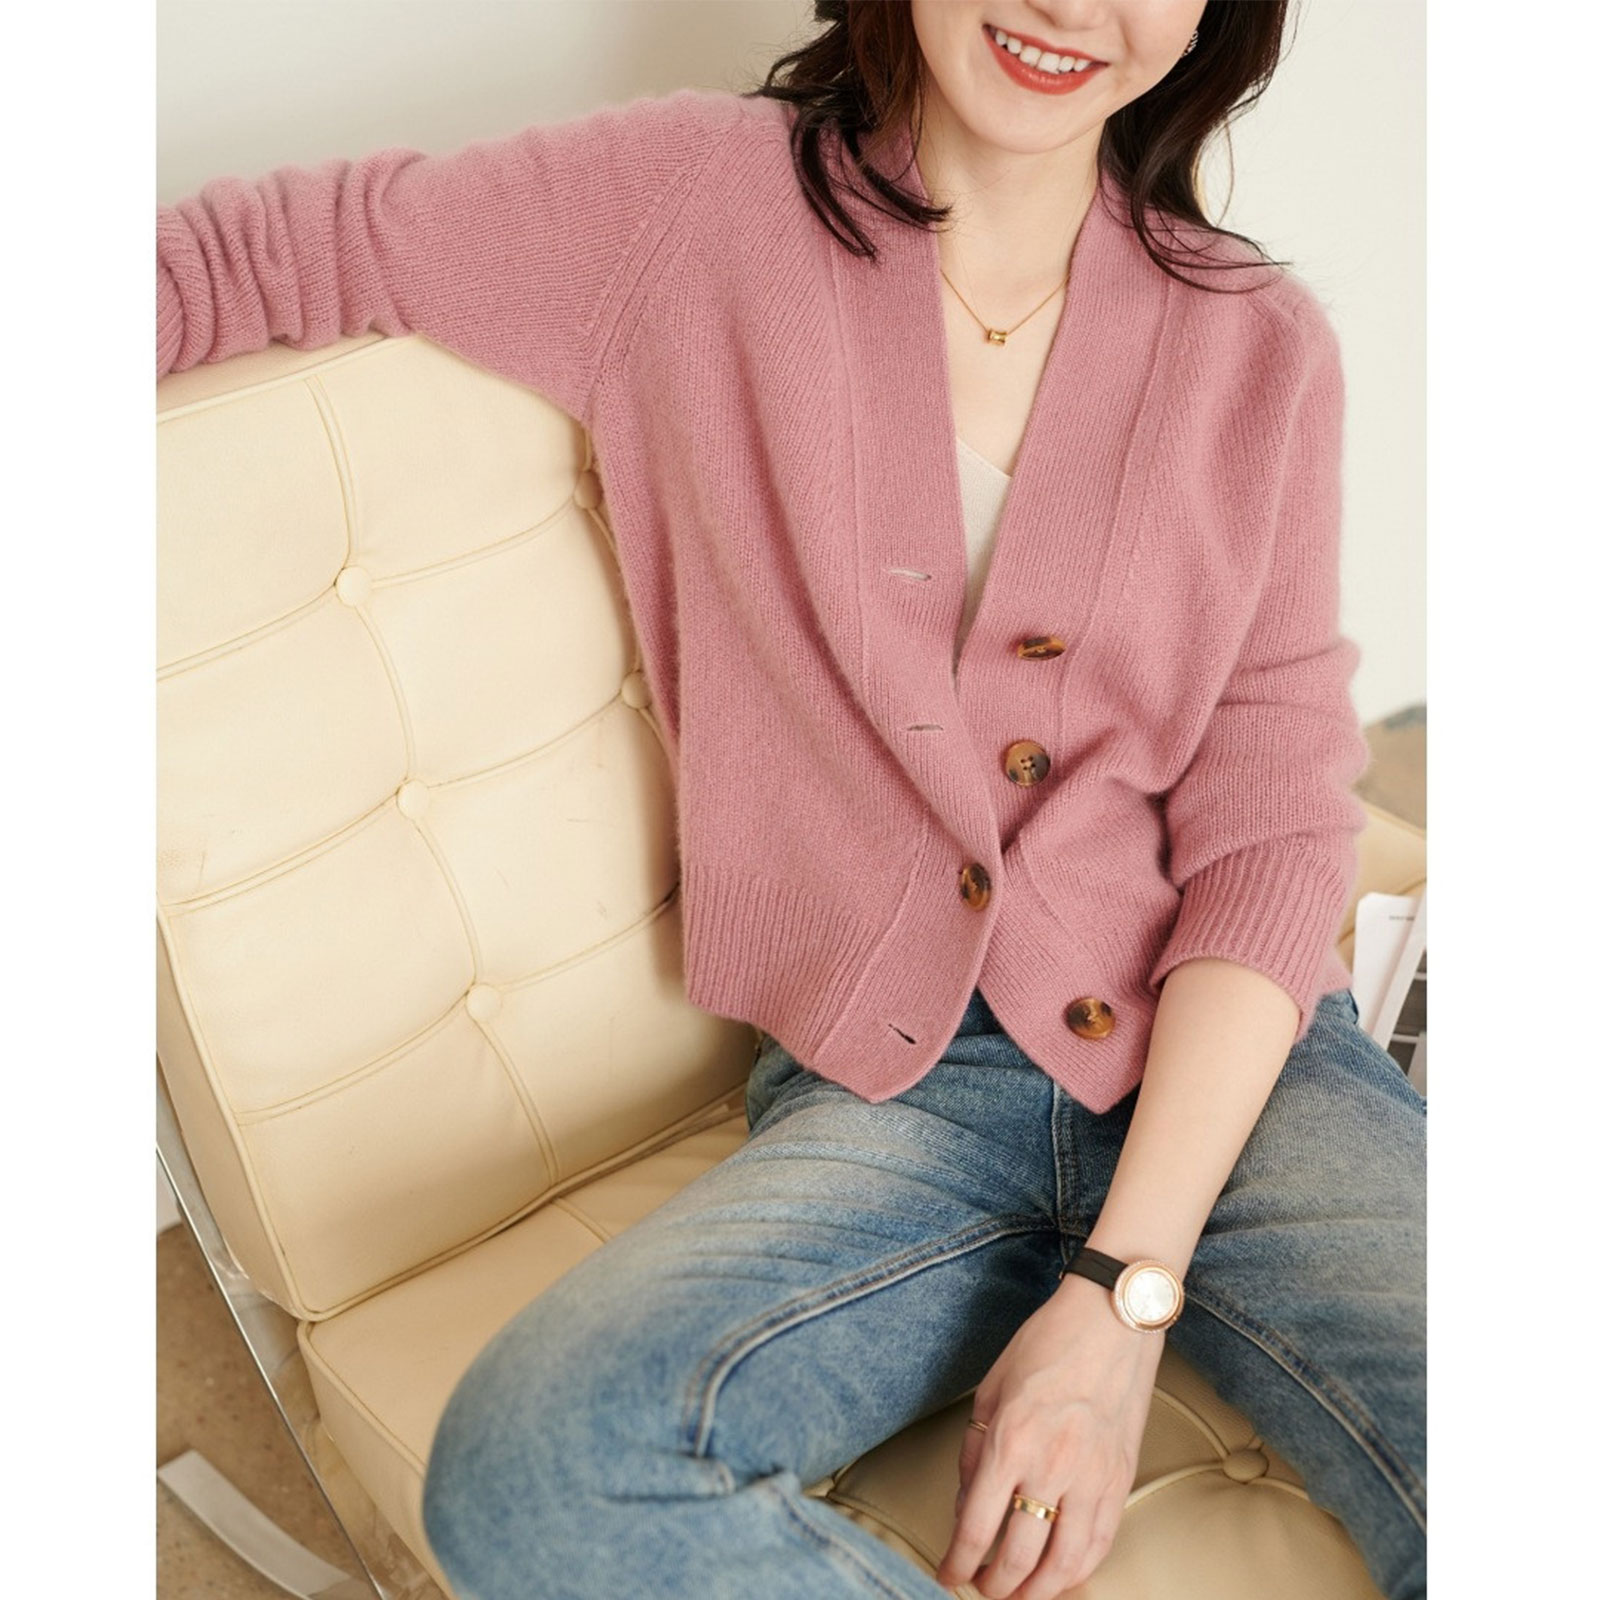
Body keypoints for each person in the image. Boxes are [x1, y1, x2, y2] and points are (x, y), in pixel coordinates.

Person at [156, 3, 1425, 1597]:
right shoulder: (692, 207)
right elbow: (273, 253)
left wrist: (1124, 1296)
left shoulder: (1257, 347)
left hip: (1233, 1075)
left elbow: (1276, 825)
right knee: (544, 1467)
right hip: (896, 1093)